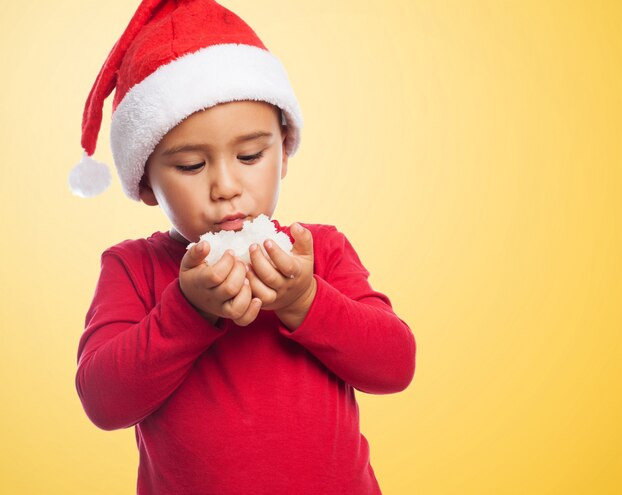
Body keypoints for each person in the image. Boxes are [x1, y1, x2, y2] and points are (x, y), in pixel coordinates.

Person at [72, 1, 416, 494]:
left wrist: (306, 300)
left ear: (284, 151)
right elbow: (104, 404)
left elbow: (395, 366)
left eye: (251, 155)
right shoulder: (132, 268)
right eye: (191, 165)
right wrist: (187, 311)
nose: (226, 186)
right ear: (146, 183)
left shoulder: (320, 250)